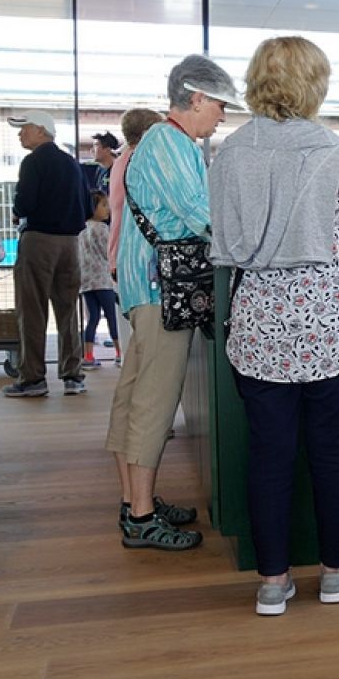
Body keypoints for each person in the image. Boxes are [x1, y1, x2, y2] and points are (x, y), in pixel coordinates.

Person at [209, 36, 339, 614]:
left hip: (259, 327)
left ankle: (272, 584)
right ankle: (334, 575)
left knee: (268, 454)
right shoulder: (337, 152)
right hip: (331, 326)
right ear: (317, 85)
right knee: (332, 453)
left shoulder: (228, 153)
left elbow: (223, 234)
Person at [105, 56, 236, 550]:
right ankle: (140, 516)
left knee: (133, 396)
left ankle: (134, 500)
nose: (221, 117)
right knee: (155, 402)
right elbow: (205, 216)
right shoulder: (170, 142)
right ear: (196, 97)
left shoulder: (163, 140)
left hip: (148, 288)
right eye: (220, 105)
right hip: (163, 291)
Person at [4, 110, 92, 398]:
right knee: (68, 311)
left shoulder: (33, 162)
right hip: (70, 245)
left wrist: (17, 212)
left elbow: (25, 203)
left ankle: (33, 378)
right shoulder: (72, 163)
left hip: (39, 241)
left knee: (32, 310)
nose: (20, 134)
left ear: (42, 131)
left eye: (24, 128)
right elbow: (88, 208)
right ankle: (73, 375)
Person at [106, 108, 163, 367]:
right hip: (140, 265)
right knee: (147, 355)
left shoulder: (121, 162)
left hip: (120, 258)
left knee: (134, 348)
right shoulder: (142, 161)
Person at [78, 191, 119, 369]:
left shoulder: (82, 228)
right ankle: (120, 353)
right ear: (93, 208)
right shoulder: (102, 229)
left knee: (93, 318)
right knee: (112, 316)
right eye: (103, 205)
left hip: (86, 281)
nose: (107, 209)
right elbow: (107, 253)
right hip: (103, 280)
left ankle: (88, 356)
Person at [87, 130, 121, 195]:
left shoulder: (120, 170)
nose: (92, 150)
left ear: (107, 149)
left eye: (96, 145)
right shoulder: (99, 170)